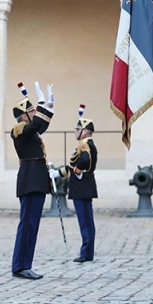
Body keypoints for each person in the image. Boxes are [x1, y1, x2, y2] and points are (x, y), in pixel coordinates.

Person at [10, 81, 54, 280]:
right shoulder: (19, 130)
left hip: (36, 180)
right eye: (32, 112)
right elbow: (36, 124)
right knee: (27, 224)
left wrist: (49, 107)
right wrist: (42, 104)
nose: (35, 114)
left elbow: (40, 125)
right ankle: (20, 266)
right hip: (29, 181)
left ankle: (25, 264)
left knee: (32, 225)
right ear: (24, 115)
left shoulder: (30, 131)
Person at [65, 104, 98, 263]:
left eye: (77, 130)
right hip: (84, 186)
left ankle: (85, 253)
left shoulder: (85, 144)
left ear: (84, 131)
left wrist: (76, 170)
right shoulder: (86, 144)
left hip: (82, 185)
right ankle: (87, 252)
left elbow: (85, 160)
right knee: (86, 221)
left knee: (85, 221)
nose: (75, 132)